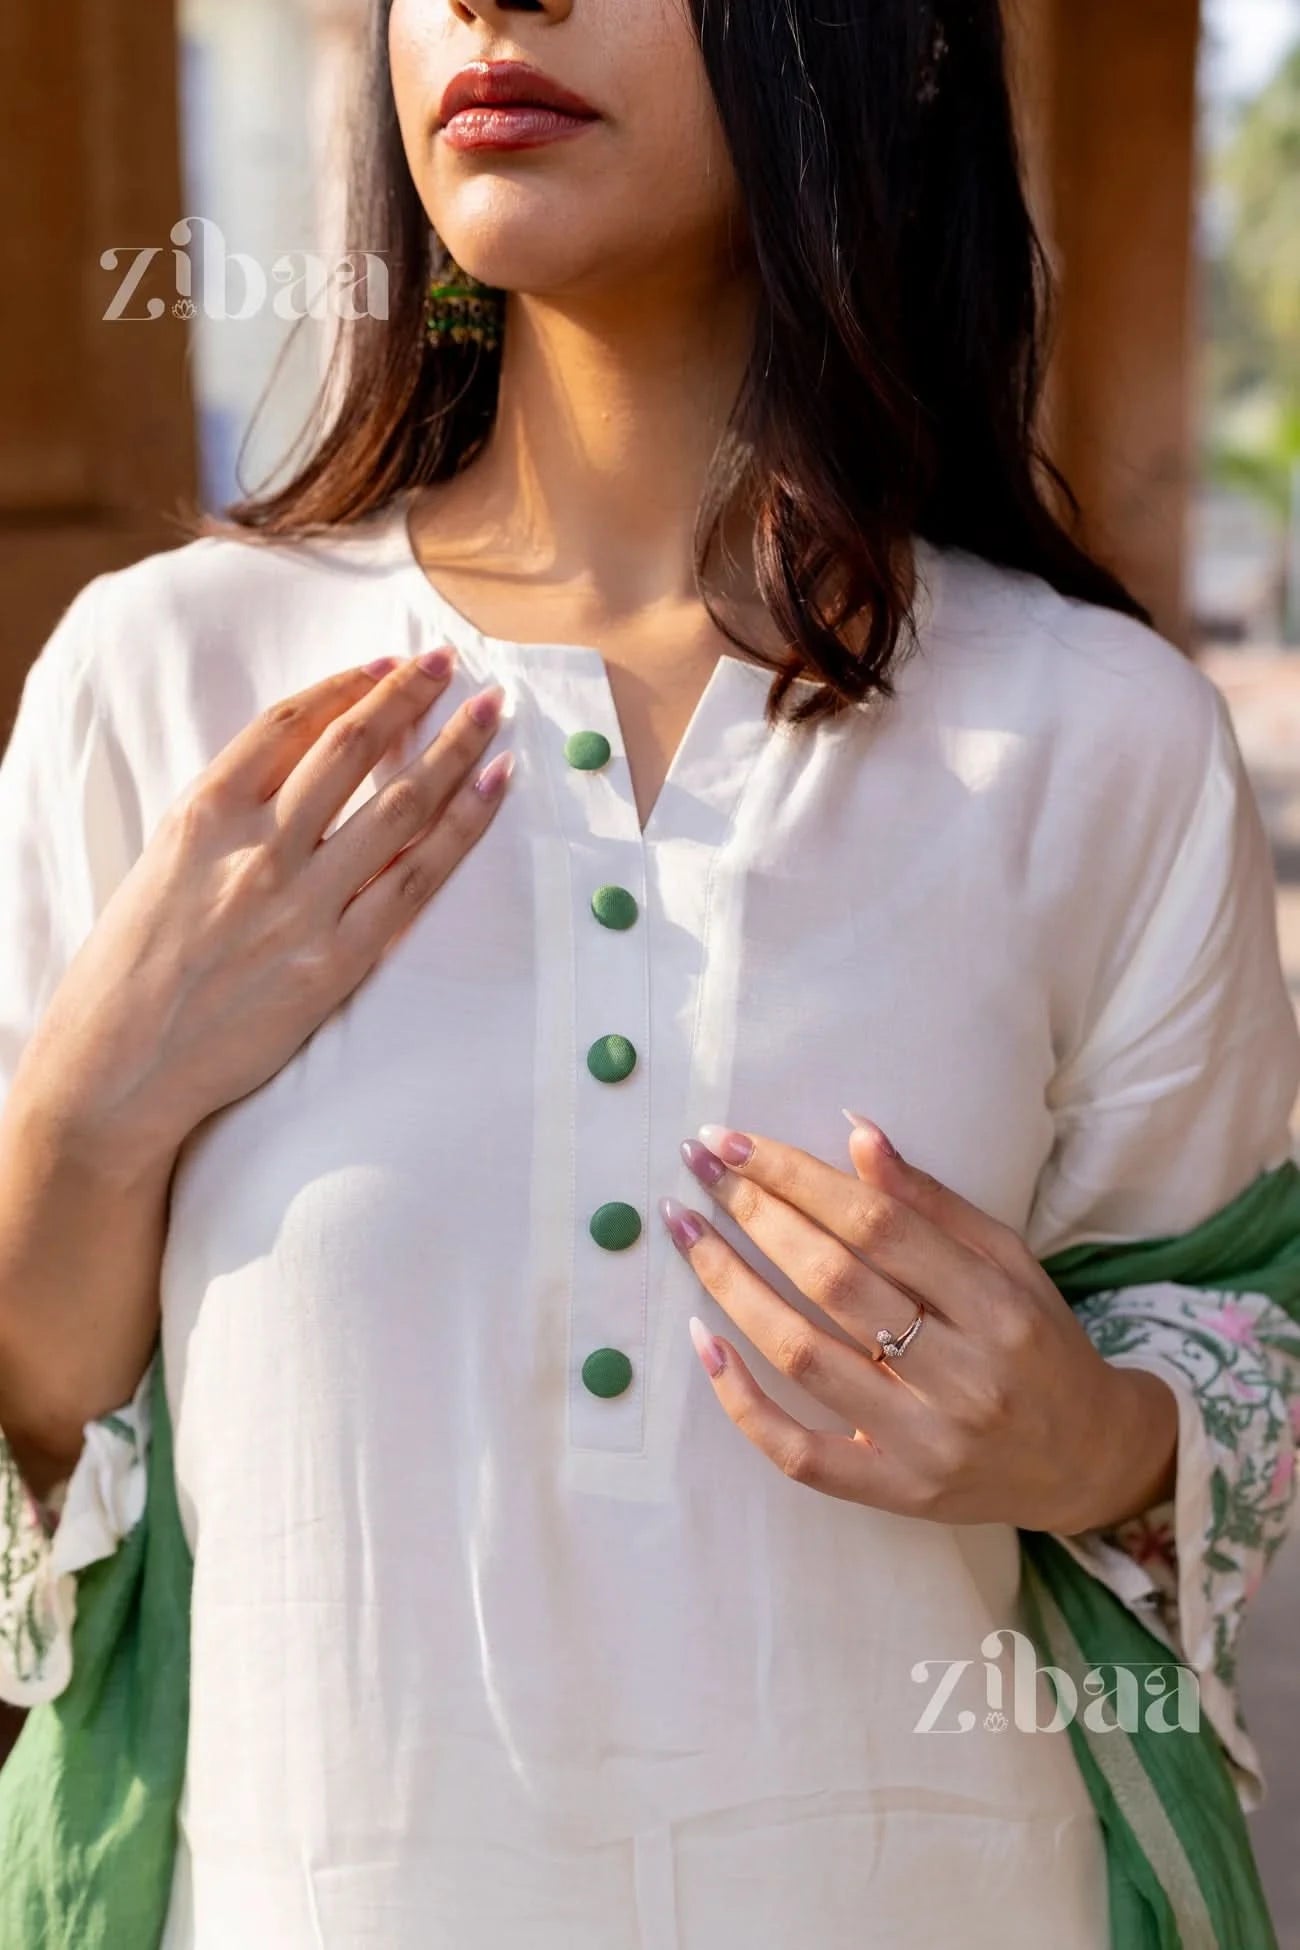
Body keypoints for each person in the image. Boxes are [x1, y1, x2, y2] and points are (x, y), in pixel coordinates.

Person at [1, 1, 1298, 1944]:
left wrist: (1086, 1439)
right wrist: (88, 1125)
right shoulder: (168, 687)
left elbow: (1230, 1366)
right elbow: (41, 1454)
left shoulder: (1092, 740)